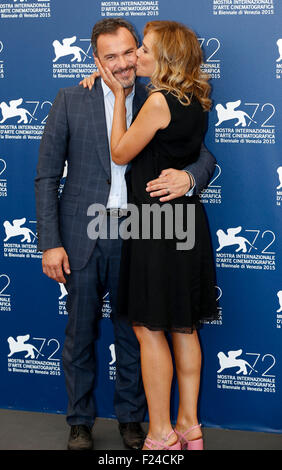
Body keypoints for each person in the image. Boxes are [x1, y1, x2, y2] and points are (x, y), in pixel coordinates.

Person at [35, 18, 216, 451]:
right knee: (80, 334)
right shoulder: (70, 99)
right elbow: (46, 176)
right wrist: (50, 242)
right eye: (110, 56)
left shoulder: (154, 96)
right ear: (95, 59)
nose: (122, 63)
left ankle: (136, 422)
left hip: (141, 233)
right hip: (84, 232)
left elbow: (202, 153)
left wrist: (189, 179)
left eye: (129, 52)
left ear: (141, 52)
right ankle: (79, 422)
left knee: (137, 333)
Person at [95, 20, 218, 451]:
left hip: (155, 226)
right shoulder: (195, 99)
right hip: (184, 222)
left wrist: (118, 100)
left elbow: (120, 152)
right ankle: (189, 427)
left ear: (163, 57)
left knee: (149, 329)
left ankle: (161, 433)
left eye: (143, 49)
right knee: (184, 328)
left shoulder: (158, 101)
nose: (136, 57)